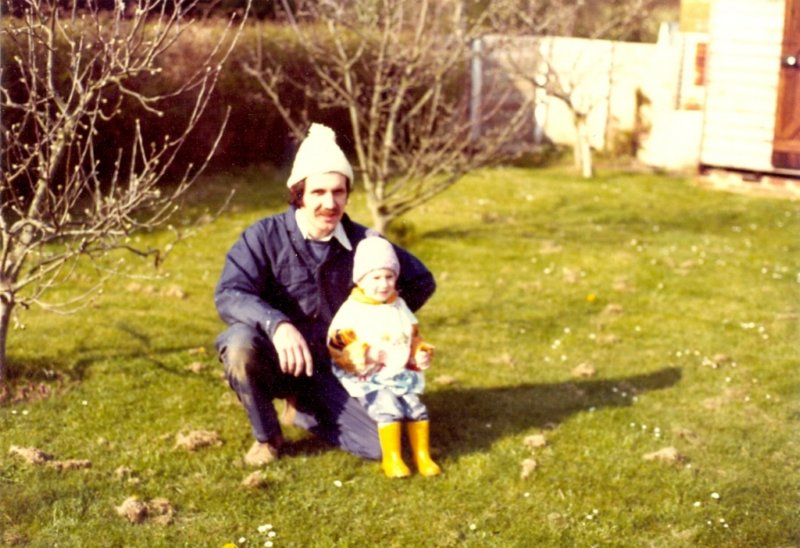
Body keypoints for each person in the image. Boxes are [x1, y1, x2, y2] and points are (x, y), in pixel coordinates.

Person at [214, 123, 436, 467]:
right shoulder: (263, 236)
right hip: (277, 357)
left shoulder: (366, 243)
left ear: (347, 194)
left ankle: (304, 407)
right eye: (318, 192)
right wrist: (277, 325)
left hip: (337, 365)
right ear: (299, 193)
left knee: (380, 444)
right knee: (239, 344)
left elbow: (421, 280)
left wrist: (382, 319)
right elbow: (230, 293)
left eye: (338, 192)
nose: (329, 203)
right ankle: (268, 437)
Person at [327, 236, 442, 478]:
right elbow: (337, 341)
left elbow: (412, 336)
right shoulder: (353, 309)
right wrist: (364, 353)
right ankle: (393, 458)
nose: (384, 284)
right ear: (361, 280)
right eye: (376, 278)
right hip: (370, 377)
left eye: (389, 277)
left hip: (398, 373)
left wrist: (418, 353)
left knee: (416, 408)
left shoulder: (398, 306)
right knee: (387, 407)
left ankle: (422, 455)